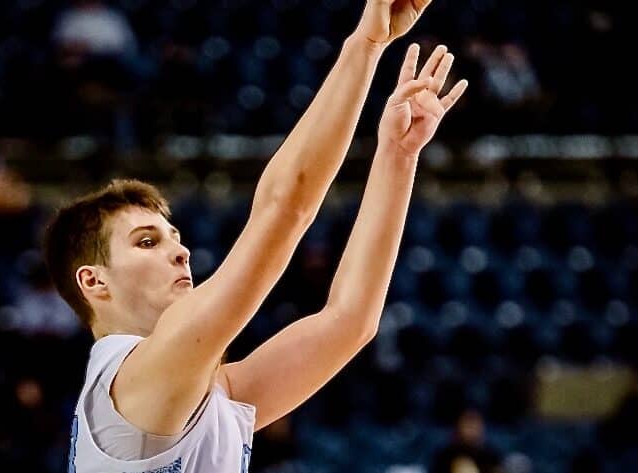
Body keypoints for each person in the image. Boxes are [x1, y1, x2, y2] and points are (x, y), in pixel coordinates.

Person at [43, 1, 468, 471]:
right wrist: (365, 46)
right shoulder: (129, 384)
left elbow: (349, 322)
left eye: (173, 236)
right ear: (94, 281)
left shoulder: (191, 391)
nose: (181, 251)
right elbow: (287, 206)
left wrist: (398, 154)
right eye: (148, 241)